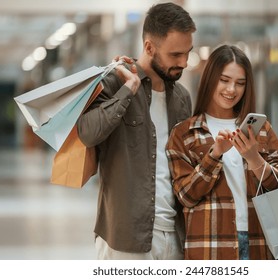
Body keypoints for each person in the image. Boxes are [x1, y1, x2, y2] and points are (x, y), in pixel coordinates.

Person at [76, 2, 195, 260]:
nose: (184, 62)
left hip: (175, 235)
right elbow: (87, 133)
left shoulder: (183, 98)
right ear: (149, 47)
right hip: (125, 237)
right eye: (175, 55)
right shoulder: (113, 82)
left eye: (188, 53)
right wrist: (126, 92)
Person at [165, 44, 278, 260]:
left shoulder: (260, 130)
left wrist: (254, 159)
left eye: (240, 83)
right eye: (224, 80)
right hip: (209, 246)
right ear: (210, 78)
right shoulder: (184, 133)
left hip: (257, 242)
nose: (231, 89)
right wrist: (214, 155)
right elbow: (186, 196)